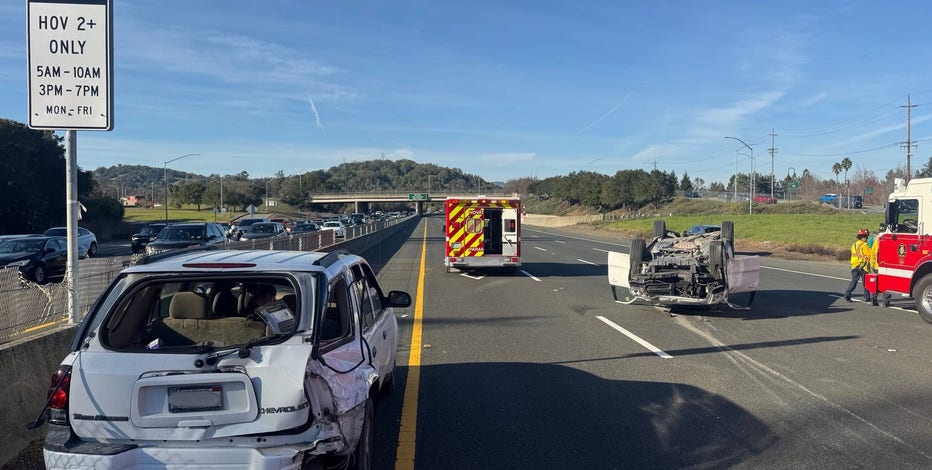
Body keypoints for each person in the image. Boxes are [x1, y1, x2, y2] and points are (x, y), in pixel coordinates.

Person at [843, 228, 872, 302]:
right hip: (863, 266)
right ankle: (867, 297)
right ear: (863, 237)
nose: (867, 238)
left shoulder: (854, 244)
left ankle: (847, 295)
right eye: (866, 237)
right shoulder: (864, 245)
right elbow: (869, 255)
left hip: (854, 266)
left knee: (854, 282)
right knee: (866, 283)